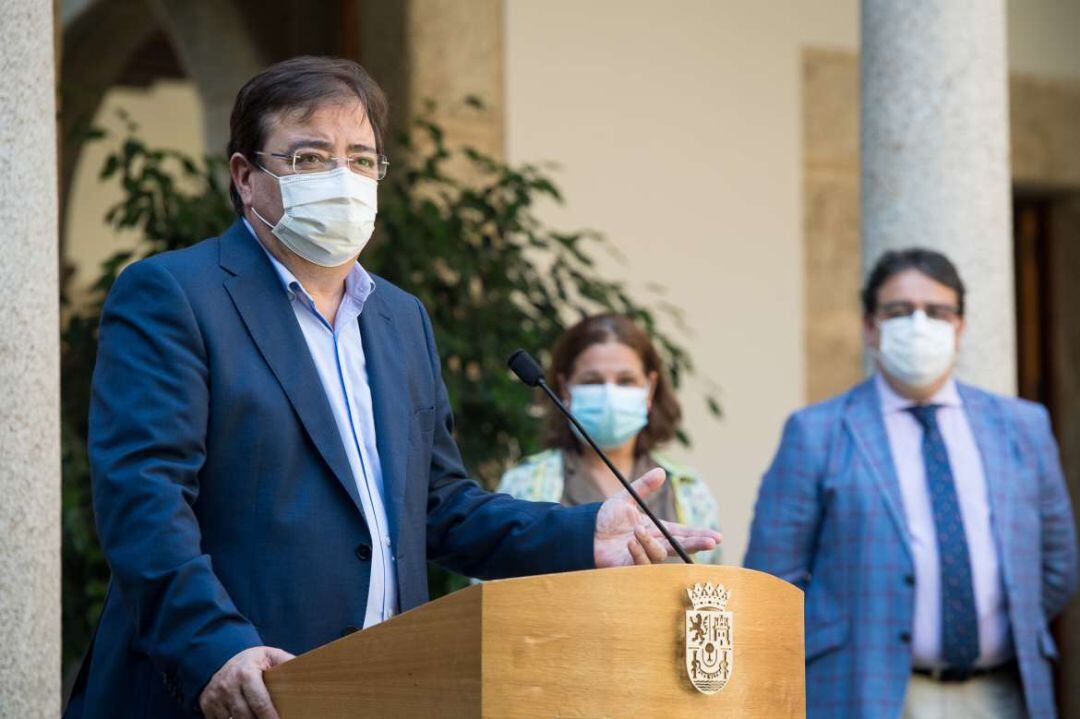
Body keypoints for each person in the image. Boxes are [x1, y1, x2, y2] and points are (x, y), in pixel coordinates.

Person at [64, 57, 720, 719]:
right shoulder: (176, 295)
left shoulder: (400, 319)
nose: (340, 180)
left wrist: (585, 534)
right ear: (245, 176)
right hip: (234, 690)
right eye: (309, 157)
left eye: (360, 159)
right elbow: (144, 497)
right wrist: (214, 648)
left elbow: (440, 506)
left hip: (377, 690)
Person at [745, 248, 1077, 719]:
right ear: (870, 326)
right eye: (899, 311)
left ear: (960, 326)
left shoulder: (1022, 426)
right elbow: (772, 577)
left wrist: (995, 624)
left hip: (1000, 692)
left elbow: (1057, 562)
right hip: (864, 694)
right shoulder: (817, 432)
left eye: (937, 311)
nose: (918, 325)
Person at [496, 314, 722, 564]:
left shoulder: (689, 490)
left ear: (650, 387)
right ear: (564, 388)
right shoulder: (523, 485)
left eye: (626, 380)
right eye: (592, 381)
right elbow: (491, 595)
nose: (609, 395)